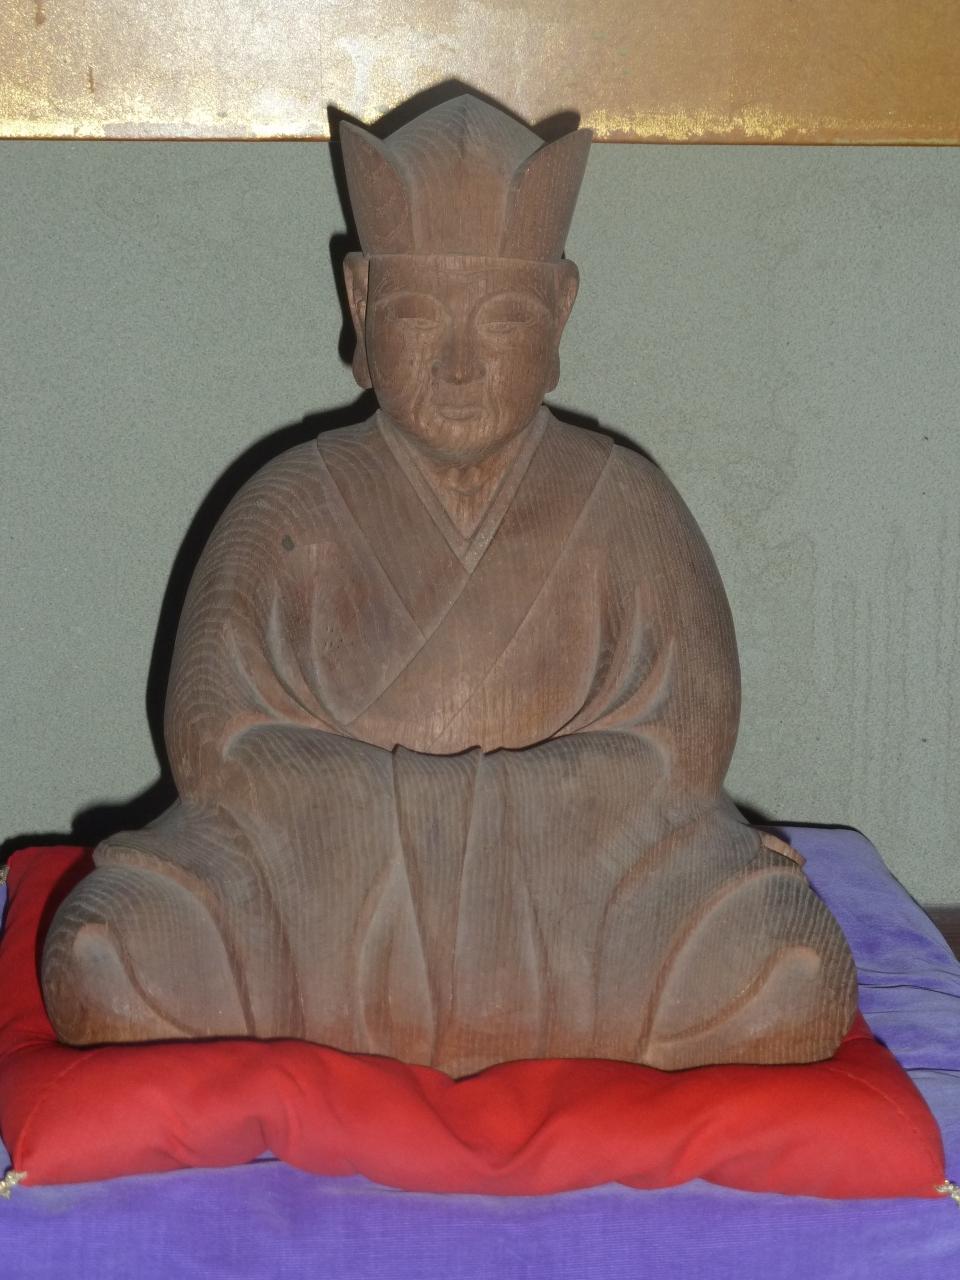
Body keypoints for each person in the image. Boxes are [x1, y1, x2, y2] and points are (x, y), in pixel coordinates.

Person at [42, 96, 856, 1075]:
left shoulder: (624, 500)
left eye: (502, 318)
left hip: (585, 898)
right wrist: (408, 821)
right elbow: (215, 748)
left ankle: (386, 1021)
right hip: (319, 895)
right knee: (105, 952)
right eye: (419, 315)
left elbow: (684, 749)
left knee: (794, 968)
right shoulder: (287, 500)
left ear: (560, 308)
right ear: (360, 302)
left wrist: (472, 821)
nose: (461, 366)